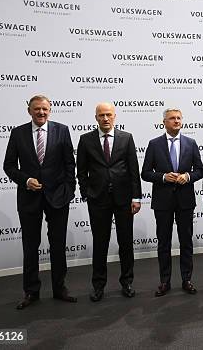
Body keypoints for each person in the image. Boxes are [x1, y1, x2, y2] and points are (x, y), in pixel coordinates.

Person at [3, 94, 77, 309]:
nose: (41, 113)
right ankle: (31, 292)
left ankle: (59, 288)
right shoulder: (17, 133)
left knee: (58, 245)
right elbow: (8, 166)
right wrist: (25, 180)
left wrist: (69, 190)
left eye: (45, 109)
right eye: (37, 109)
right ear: (29, 111)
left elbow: (69, 164)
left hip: (58, 198)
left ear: (50, 109)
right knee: (30, 245)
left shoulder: (62, 130)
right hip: (28, 198)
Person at [76, 102, 142, 302]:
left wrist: (136, 197)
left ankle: (127, 282)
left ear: (115, 116)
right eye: (101, 115)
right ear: (96, 117)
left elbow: (133, 170)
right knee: (100, 243)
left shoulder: (126, 138)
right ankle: (98, 286)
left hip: (124, 199)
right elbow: (81, 171)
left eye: (109, 115)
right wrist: (86, 192)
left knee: (125, 243)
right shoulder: (85, 140)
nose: (105, 118)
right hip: (98, 199)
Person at [142, 108, 203, 296]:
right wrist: (162, 177)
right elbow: (145, 173)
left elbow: (200, 171)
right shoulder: (154, 144)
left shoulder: (191, 143)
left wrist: (187, 176)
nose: (176, 121)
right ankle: (164, 281)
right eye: (172, 118)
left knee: (186, 242)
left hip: (185, 201)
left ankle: (187, 279)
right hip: (163, 201)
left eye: (179, 118)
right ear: (164, 122)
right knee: (164, 242)